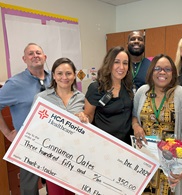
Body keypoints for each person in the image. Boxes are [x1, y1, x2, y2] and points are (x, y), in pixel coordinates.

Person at [132, 54, 182, 195]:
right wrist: (136, 126)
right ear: (151, 71)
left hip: (171, 162)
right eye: (158, 68)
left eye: (167, 69)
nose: (162, 72)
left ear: (173, 73)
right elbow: (134, 117)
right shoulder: (142, 92)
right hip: (146, 159)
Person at [0, 43, 51, 195]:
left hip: (54, 142)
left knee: (55, 184)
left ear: (44, 57)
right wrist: (8, 133)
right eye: (30, 53)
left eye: (38, 52)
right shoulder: (14, 84)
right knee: (29, 188)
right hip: (29, 144)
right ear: (24, 59)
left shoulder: (55, 79)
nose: (35, 55)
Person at [33, 57, 86, 195]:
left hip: (75, 157)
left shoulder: (81, 97)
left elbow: (86, 129)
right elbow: (33, 126)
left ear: (74, 75)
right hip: (51, 156)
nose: (64, 77)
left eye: (68, 73)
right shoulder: (41, 98)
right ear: (54, 76)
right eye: (60, 73)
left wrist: (84, 119)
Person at [83, 46, 134, 144]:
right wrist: (83, 118)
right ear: (109, 63)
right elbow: (89, 115)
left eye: (125, 63)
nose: (121, 67)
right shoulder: (96, 88)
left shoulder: (129, 87)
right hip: (104, 144)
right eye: (116, 62)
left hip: (127, 145)